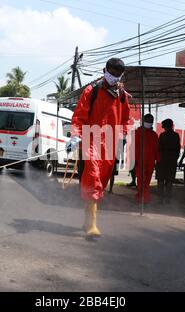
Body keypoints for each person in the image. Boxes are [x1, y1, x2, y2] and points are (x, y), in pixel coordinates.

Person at [66, 58, 130, 238]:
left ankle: (87, 221)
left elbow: (126, 119)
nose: (114, 77)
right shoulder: (91, 91)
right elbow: (79, 116)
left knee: (100, 182)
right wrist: (75, 135)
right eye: (111, 73)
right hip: (91, 140)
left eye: (118, 75)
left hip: (110, 144)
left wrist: (123, 135)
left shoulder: (122, 95)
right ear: (105, 71)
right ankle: (92, 225)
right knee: (93, 178)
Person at [135, 114, 160, 204]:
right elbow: (133, 147)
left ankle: (144, 198)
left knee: (146, 182)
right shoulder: (138, 133)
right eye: (148, 121)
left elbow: (156, 149)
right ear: (143, 121)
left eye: (151, 121)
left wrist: (158, 161)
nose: (149, 123)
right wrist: (133, 160)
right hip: (140, 161)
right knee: (141, 181)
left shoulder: (154, 135)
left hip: (150, 162)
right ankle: (141, 198)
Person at [157, 119, 180, 204]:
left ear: (165, 127)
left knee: (160, 180)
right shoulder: (176, 135)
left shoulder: (162, 135)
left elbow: (158, 148)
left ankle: (160, 199)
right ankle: (167, 200)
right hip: (172, 161)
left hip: (162, 160)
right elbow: (178, 149)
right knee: (169, 181)